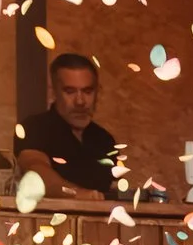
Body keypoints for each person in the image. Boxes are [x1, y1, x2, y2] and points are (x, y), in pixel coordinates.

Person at [12, 53, 123, 198]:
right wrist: (77, 194)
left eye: (87, 91)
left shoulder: (105, 140)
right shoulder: (34, 128)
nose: (80, 101)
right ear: (54, 93)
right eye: (70, 91)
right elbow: (37, 171)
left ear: (98, 92)